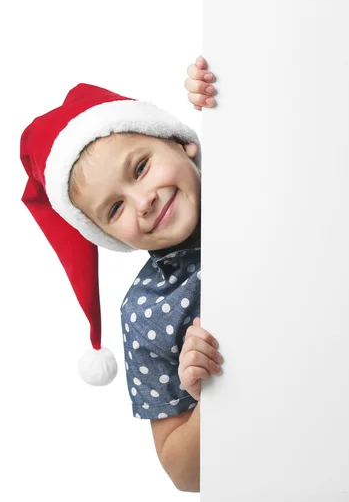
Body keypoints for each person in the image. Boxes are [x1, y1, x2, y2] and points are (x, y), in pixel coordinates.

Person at [20, 56, 220, 493]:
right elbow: (184, 475)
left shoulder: (251, 178)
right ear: (108, 235)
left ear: (179, 141)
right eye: (115, 209)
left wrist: (224, 91)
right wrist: (214, 401)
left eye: (141, 168)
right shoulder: (147, 311)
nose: (142, 202)